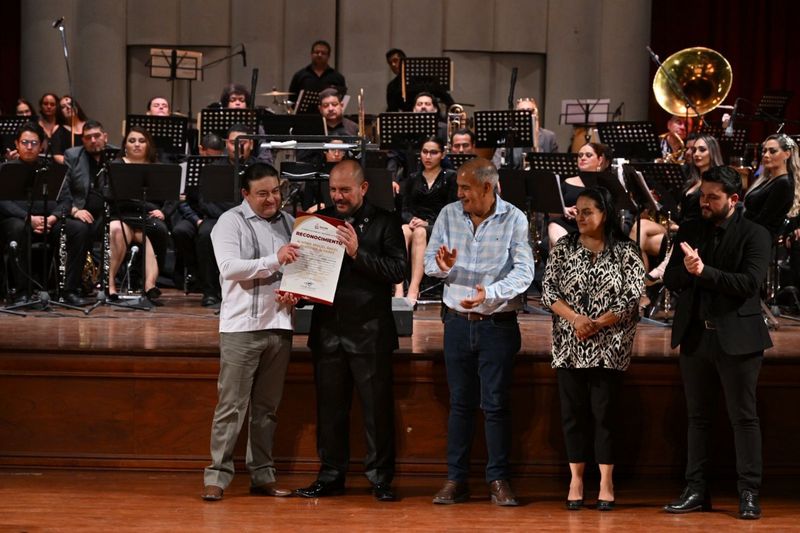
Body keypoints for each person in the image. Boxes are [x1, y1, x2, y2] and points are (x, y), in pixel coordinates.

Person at [663, 165, 772, 520]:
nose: (704, 202)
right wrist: (689, 272)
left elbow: (749, 284)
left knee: (743, 418)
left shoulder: (754, 234)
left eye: (713, 197)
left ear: (733, 199)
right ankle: (696, 490)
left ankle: (749, 493)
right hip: (696, 336)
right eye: (702, 195)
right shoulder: (692, 228)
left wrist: (703, 272)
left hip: (738, 339)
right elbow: (671, 277)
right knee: (697, 418)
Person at [424, 158, 534, 506]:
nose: (459, 194)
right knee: (460, 405)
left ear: (488, 187)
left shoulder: (514, 218)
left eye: (465, 188)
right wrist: (440, 268)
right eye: (458, 188)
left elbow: (525, 272)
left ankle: (498, 479)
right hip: (457, 323)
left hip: (497, 326)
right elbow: (429, 262)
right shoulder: (448, 215)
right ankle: (456, 480)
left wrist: (492, 292)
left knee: (496, 405)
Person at [295, 160, 406, 502]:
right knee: (329, 411)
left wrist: (358, 253)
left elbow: (397, 270)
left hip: (370, 332)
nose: (338, 196)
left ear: (363, 188)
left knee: (377, 412)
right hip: (328, 330)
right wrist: (296, 287)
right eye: (333, 190)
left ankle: (380, 478)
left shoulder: (386, 222)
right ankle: (330, 475)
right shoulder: (320, 221)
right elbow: (306, 268)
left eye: (345, 190)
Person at [541, 186, 644, 512]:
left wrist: (597, 323)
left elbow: (632, 297)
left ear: (605, 214)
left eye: (588, 211)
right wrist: (576, 320)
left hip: (610, 345)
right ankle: (576, 480)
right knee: (573, 415)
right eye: (578, 211)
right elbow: (548, 291)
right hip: (570, 343)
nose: (580, 216)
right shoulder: (563, 248)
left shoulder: (627, 251)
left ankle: (606, 482)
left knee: (604, 415)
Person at [201, 162, 299, 502]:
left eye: (276, 191)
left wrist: (296, 291)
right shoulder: (230, 222)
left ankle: (262, 475)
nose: (272, 198)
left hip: (280, 326)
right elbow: (230, 269)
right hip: (242, 328)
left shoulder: (289, 222)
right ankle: (217, 476)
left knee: (267, 409)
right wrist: (275, 260)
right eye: (262, 193)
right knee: (231, 407)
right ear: (246, 194)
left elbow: (296, 269)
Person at [0, 122, 89, 305]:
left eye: (34, 143)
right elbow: (2, 201)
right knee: (17, 228)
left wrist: (53, 217)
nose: (29, 147)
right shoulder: (6, 169)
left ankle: (68, 290)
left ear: (42, 145)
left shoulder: (52, 170)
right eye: (25, 142)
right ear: (17, 144)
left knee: (78, 229)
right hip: (18, 220)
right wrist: (28, 219)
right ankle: (22, 292)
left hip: (49, 220)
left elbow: (66, 200)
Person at [172, 125, 249, 306]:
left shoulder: (257, 168)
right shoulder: (212, 168)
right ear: (226, 145)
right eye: (233, 143)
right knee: (206, 234)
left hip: (248, 217)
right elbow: (204, 201)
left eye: (243, 142)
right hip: (218, 217)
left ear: (251, 144)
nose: (237, 146)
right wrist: (227, 218)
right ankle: (210, 291)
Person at [641, 134, 724, 284]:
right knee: (640, 225)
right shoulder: (693, 180)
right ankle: (633, 275)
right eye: (694, 150)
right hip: (681, 228)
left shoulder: (717, 181)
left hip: (697, 232)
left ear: (712, 152)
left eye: (702, 150)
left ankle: (657, 271)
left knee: (646, 235)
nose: (696, 154)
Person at [107, 126, 168, 303]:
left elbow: (169, 198)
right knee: (118, 230)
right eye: (132, 140)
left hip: (146, 218)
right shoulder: (116, 165)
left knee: (152, 233)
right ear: (125, 145)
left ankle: (149, 285)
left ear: (149, 145)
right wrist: (148, 205)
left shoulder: (157, 167)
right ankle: (110, 284)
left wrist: (161, 210)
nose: (137, 144)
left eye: (141, 141)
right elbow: (113, 196)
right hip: (121, 214)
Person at [394, 136, 456, 302]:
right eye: (425, 152)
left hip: (438, 224)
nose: (428, 156)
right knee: (402, 230)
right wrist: (412, 219)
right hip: (415, 222)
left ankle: (414, 289)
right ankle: (399, 288)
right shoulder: (413, 177)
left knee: (420, 233)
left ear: (442, 155)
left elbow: (451, 209)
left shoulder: (450, 177)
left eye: (433, 152)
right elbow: (405, 209)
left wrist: (427, 223)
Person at [61, 120, 114, 299]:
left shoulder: (115, 155)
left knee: (118, 227)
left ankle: (111, 285)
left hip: (108, 212)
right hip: (79, 212)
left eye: (97, 136)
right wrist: (75, 210)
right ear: (82, 140)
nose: (93, 140)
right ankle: (72, 287)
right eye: (88, 137)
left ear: (105, 137)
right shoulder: (72, 156)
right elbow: (63, 189)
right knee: (81, 230)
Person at [548, 142, 612, 247]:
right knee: (553, 226)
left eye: (588, 155)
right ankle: (570, 256)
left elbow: (608, 214)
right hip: (566, 226)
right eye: (580, 155)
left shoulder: (606, 184)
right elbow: (551, 211)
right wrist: (564, 210)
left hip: (592, 229)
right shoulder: (568, 181)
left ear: (600, 160)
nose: (582, 158)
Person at [743, 134, 798, 237]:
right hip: (752, 235)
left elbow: (764, 219)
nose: (766, 155)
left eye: (772, 151)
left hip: (760, 241)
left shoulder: (784, 183)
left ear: (787, 154)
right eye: (764, 151)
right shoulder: (767, 180)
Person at [491, 97, 558, 169]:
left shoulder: (549, 137)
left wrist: (535, 137)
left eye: (530, 111)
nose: (526, 114)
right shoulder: (508, 136)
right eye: (522, 111)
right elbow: (496, 165)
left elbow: (555, 166)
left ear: (536, 114)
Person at [52, 95, 88, 163]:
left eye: (70, 104)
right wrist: (73, 164)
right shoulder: (59, 129)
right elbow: (57, 155)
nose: (68, 107)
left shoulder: (89, 125)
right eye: (63, 107)